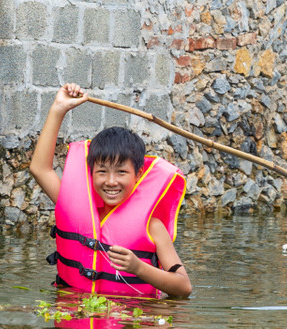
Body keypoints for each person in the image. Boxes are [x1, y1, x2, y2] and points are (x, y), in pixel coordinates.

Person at [30, 83, 192, 298]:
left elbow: (183, 288)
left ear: (139, 173)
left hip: (129, 325)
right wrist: (58, 108)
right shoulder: (73, 204)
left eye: (121, 172)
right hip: (73, 316)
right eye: (102, 171)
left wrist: (139, 268)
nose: (111, 181)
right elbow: (39, 168)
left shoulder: (153, 226)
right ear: (91, 172)